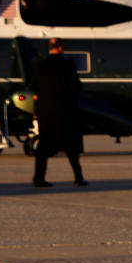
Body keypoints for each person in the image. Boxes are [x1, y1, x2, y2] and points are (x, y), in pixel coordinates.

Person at [30, 38, 87, 187]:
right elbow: (76, 87)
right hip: (66, 111)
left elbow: (34, 87)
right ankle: (78, 177)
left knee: (43, 148)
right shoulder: (68, 65)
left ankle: (38, 178)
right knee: (71, 147)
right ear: (61, 48)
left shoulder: (39, 65)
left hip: (46, 113)